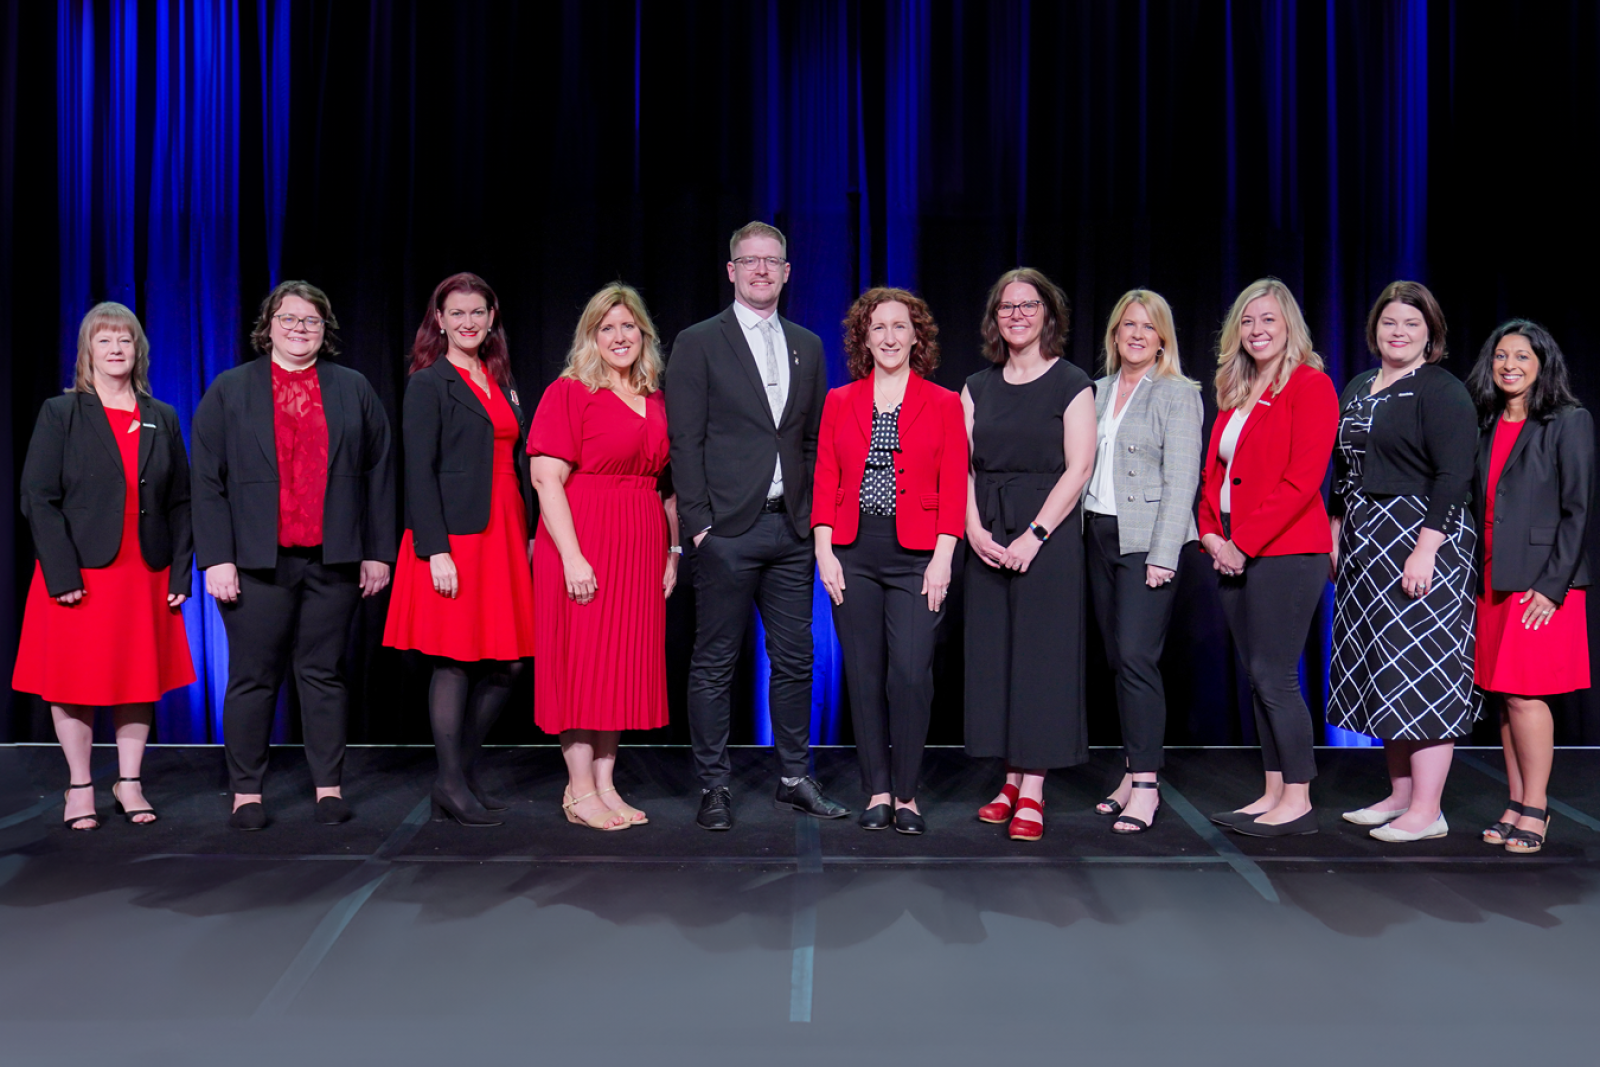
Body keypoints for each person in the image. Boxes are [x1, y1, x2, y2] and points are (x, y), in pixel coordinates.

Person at [192, 280, 396, 831]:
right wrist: (216, 558)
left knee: (323, 674)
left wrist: (378, 551)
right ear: (270, 325)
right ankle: (247, 793)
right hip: (255, 563)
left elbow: (380, 474)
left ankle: (328, 787)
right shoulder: (231, 389)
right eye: (289, 318)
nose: (299, 328)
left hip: (333, 560)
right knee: (253, 678)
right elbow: (206, 480)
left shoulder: (352, 388)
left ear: (324, 329)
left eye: (311, 320)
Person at [665, 221, 846, 830]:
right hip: (727, 532)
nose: (762, 270)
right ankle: (714, 785)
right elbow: (683, 441)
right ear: (732, 270)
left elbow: (815, 442)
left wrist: (815, 522)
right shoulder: (698, 341)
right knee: (715, 662)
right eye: (751, 260)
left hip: (790, 531)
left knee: (797, 658)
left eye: (773, 261)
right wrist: (698, 528)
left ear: (788, 271)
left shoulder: (808, 344)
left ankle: (794, 778)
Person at [15, 303, 195, 829]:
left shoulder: (163, 415)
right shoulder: (61, 413)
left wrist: (182, 572)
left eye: (125, 341)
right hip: (79, 572)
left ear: (138, 350)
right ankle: (79, 785)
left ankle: (130, 781)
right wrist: (62, 574)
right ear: (87, 352)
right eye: (105, 341)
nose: (116, 350)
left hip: (145, 571)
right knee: (73, 680)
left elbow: (182, 501)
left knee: (136, 678)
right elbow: (37, 497)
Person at [1328, 282, 1480, 843]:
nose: (1399, 332)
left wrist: (1427, 545)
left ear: (1430, 333)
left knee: (1424, 670)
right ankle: (1399, 796)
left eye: (1411, 324)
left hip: (1422, 535)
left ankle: (1429, 810)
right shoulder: (1360, 386)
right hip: (1366, 536)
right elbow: (1343, 468)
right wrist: (1336, 526)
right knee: (1385, 667)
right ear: (1375, 330)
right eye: (1389, 322)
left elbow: (1454, 474)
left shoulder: (1442, 389)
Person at [383, 273, 536, 827]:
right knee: (455, 660)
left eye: (478, 313)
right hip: (456, 537)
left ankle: (462, 771)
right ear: (440, 321)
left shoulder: (499, 378)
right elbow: (417, 473)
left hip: (503, 529)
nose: (468, 322)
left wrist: (529, 533)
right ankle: (450, 782)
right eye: (457, 314)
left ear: (491, 318)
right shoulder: (429, 382)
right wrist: (435, 550)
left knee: (509, 664)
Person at [813, 288, 967, 835]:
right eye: (878, 328)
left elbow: (953, 486)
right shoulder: (839, 401)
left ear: (916, 336)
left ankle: (908, 793)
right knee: (865, 674)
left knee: (909, 674)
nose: (889, 337)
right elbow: (826, 477)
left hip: (918, 556)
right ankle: (878, 791)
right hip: (853, 553)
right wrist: (824, 552)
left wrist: (943, 557)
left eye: (900, 327)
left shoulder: (945, 402)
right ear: (864, 338)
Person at [530, 284, 677, 832]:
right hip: (584, 539)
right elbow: (546, 481)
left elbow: (667, 488)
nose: (620, 337)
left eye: (629, 326)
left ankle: (607, 784)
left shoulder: (656, 398)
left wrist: (672, 552)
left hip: (639, 545)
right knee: (581, 664)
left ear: (644, 334)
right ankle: (578, 789)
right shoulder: (569, 392)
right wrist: (572, 557)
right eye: (607, 327)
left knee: (618, 666)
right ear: (591, 337)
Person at [1198, 278, 1338, 837]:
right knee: (1257, 676)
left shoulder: (1311, 386)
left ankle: (1298, 799)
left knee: (1276, 675)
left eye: (1268, 321)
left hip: (1287, 551)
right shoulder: (1236, 389)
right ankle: (1273, 789)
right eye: (1248, 322)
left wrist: (1241, 542)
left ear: (1289, 329)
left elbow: (1303, 479)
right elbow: (1215, 476)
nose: (1257, 331)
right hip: (1232, 548)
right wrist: (1210, 534)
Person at [965, 268, 1097, 842]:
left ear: (1048, 314)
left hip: (1049, 533)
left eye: (1028, 305)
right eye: (1006, 307)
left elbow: (1081, 468)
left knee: (1042, 660)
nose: (1017, 315)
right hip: (987, 528)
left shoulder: (1072, 383)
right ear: (995, 318)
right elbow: (961, 467)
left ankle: (1035, 786)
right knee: (996, 658)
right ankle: (1010, 778)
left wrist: (1035, 535)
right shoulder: (975, 387)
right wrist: (972, 528)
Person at [1467, 320, 1592, 856]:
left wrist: (1552, 586)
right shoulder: (1487, 421)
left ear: (1543, 363)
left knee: (1526, 694)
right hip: (1492, 576)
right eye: (1501, 355)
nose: (1509, 365)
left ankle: (1536, 808)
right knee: (1503, 696)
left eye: (1521, 355)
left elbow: (1578, 510)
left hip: (1543, 582)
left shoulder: (1568, 421)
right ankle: (1515, 802)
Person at [1084, 289, 1203, 834]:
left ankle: (1148, 788)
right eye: (1127, 325)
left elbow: (1183, 481)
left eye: (1147, 327)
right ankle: (1131, 774)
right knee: (1117, 659)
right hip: (1098, 535)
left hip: (1148, 542)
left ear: (1162, 338)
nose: (1136, 334)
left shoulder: (1178, 394)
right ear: (1115, 334)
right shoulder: (1098, 390)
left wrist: (1163, 554)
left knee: (1137, 658)